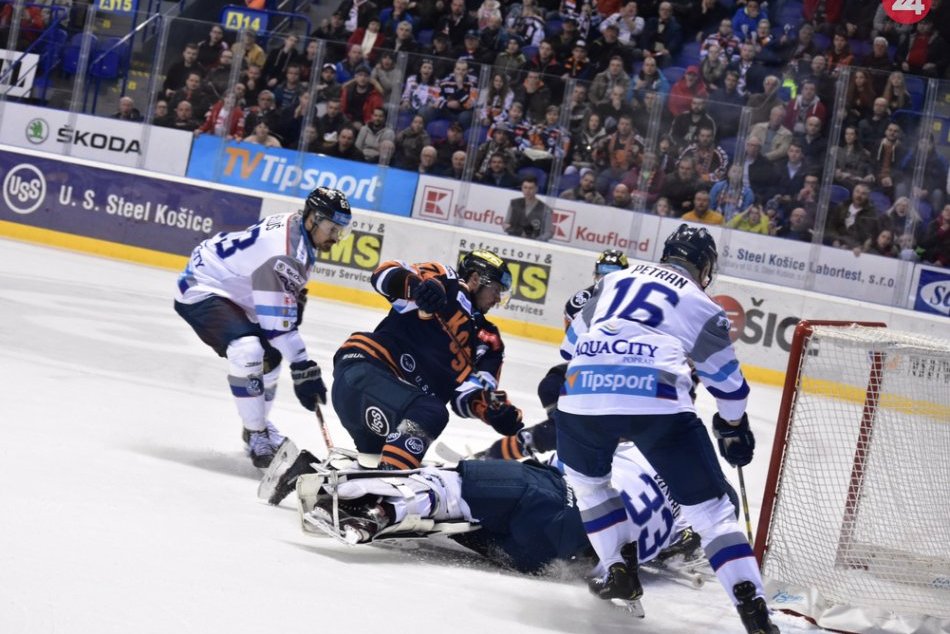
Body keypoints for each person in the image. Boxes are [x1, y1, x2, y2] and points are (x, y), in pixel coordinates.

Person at [556, 224, 778, 634]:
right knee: (712, 515)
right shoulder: (702, 303)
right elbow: (729, 386)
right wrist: (733, 427)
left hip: (581, 394)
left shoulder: (613, 280)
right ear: (705, 268)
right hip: (655, 400)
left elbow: (568, 347)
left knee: (589, 486)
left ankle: (619, 568)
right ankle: (755, 611)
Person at [269, 441, 698, 582]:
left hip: (554, 502)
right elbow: (672, 549)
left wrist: (495, 465)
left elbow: (564, 462)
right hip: (549, 561)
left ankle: (376, 509)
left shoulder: (635, 450)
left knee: (450, 489)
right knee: (457, 522)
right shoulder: (677, 516)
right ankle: (388, 508)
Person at [173, 188, 353, 468]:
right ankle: (257, 434)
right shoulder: (287, 252)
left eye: (340, 231)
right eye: (332, 229)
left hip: (235, 287)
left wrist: (288, 301)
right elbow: (277, 329)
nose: (336, 237)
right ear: (313, 219)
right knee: (247, 350)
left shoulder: (297, 227)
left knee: (271, 358)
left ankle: (256, 426)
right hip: (203, 284)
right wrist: (302, 367)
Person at [330, 250, 524, 470]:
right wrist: (417, 288)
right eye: (496, 290)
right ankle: (390, 479)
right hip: (366, 371)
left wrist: (494, 412)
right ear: (475, 278)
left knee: (377, 465)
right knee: (432, 412)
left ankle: (341, 484)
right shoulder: (447, 282)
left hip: (398, 411)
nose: (498, 299)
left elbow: (468, 395)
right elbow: (382, 274)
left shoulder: (489, 342)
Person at [482, 250, 630, 462]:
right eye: (603, 272)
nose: (607, 278)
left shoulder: (632, 303)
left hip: (627, 374)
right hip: (595, 367)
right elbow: (573, 350)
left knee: (571, 416)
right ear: (595, 274)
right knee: (551, 386)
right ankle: (569, 434)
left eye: (613, 273)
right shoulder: (581, 301)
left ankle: (565, 436)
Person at [503, 175, 554, 241]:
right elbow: (506, 224)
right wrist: (515, 231)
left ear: (536, 189)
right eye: (525, 187)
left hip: (533, 243)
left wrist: (536, 241)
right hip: (513, 240)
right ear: (522, 188)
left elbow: (548, 232)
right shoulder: (514, 203)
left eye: (531, 188)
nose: (527, 191)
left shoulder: (546, 209)